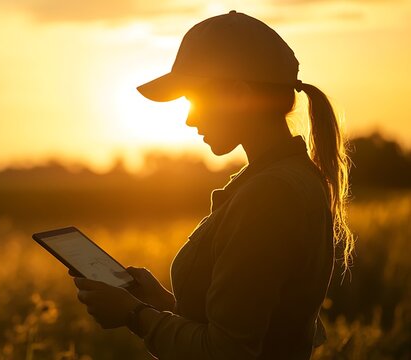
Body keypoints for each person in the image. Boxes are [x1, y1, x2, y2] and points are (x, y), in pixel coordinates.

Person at [68, 10, 356, 360]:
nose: (190, 119)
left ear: (238, 94)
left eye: (194, 99)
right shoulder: (291, 178)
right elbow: (253, 322)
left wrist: (134, 315)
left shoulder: (269, 195)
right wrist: (157, 302)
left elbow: (228, 351)